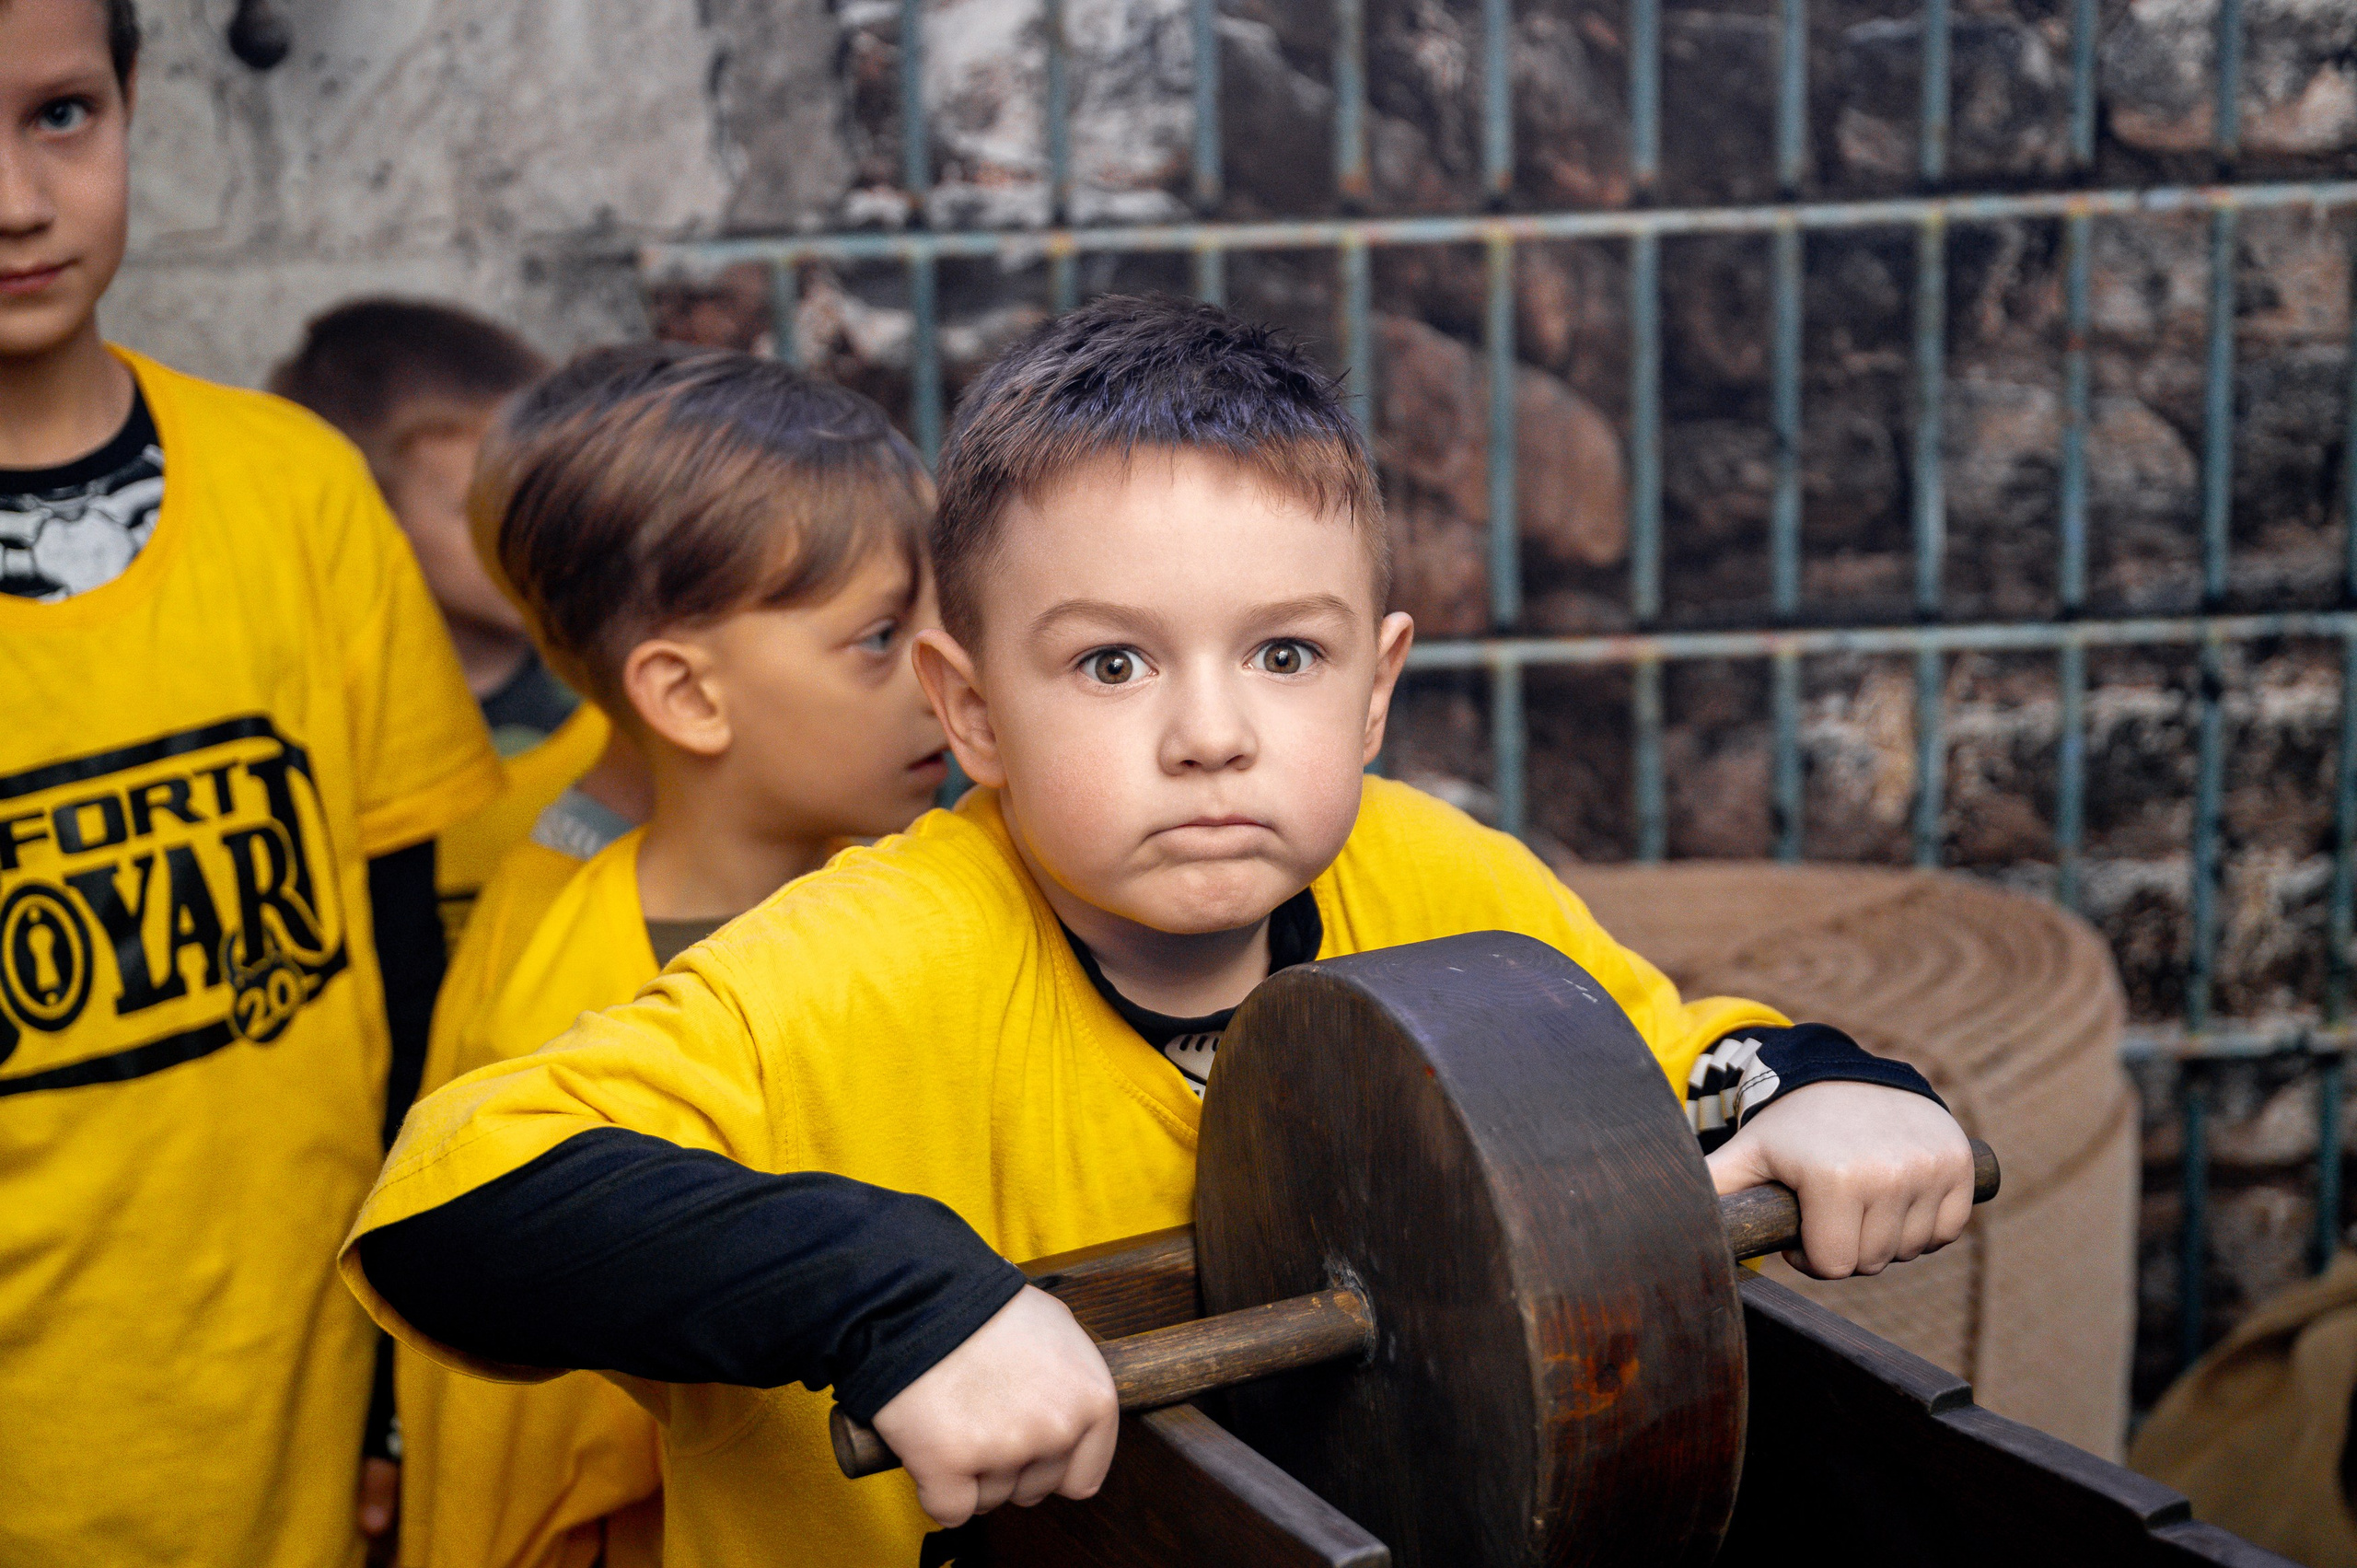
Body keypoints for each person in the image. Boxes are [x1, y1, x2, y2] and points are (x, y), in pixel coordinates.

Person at [342, 296, 1977, 1567]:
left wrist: (1813, 1081)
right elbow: (449, 1204)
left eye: (1283, 654)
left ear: (1377, 684)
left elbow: (1655, 1056)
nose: (1213, 734)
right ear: (969, 710)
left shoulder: (1440, 879)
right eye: (1112, 665)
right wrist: (889, 1296)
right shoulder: (866, 958)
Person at [0, 3, 502, 1564]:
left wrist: (402, 1390)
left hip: (291, 1426)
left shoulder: (298, 493)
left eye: (62, 114)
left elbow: (414, 983)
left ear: (136, 97)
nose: (15, 198)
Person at [394, 347, 947, 1568]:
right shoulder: (571, 1012)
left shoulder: (914, 888)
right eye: (878, 636)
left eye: (942, 612)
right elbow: (547, 1470)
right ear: (688, 696)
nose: (940, 667)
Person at [270, 298, 613, 944]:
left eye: (550, 489)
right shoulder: (323, 740)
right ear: (371, 522)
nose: (536, 530)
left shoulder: (622, 699)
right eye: (479, 503)